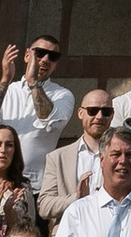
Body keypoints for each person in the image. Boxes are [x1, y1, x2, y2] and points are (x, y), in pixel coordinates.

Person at [0, 34, 76, 176]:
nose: (45, 59)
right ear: (27, 55)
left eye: (53, 56)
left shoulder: (62, 95)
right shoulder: (6, 89)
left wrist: (33, 82)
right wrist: (5, 80)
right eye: (40, 53)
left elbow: (54, 124)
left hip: (36, 184)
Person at [34, 88, 120, 223]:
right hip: (69, 234)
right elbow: (44, 206)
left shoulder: (125, 156)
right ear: (80, 113)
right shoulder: (58, 157)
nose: (99, 117)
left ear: (112, 115)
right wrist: (76, 198)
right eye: (92, 111)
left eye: (106, 112)